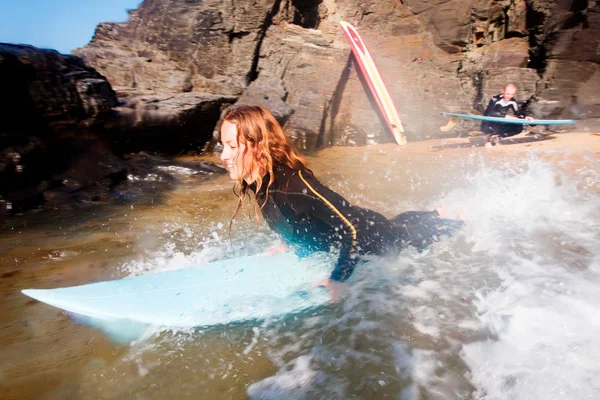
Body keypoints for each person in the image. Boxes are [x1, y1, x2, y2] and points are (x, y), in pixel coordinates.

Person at [219, 105, 463, 296]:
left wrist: (337, 279)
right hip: (367, 223)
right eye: (223, 145)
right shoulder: (258, 178)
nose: (223, 155)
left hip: (372, 238)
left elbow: (353, 228)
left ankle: (457, 223)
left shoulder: (295, 185)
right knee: (396, 224)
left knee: (409, 235)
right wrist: (291, 242)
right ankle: (434, 212)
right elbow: (289, 216)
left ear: (258, 146)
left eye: (232, 146)